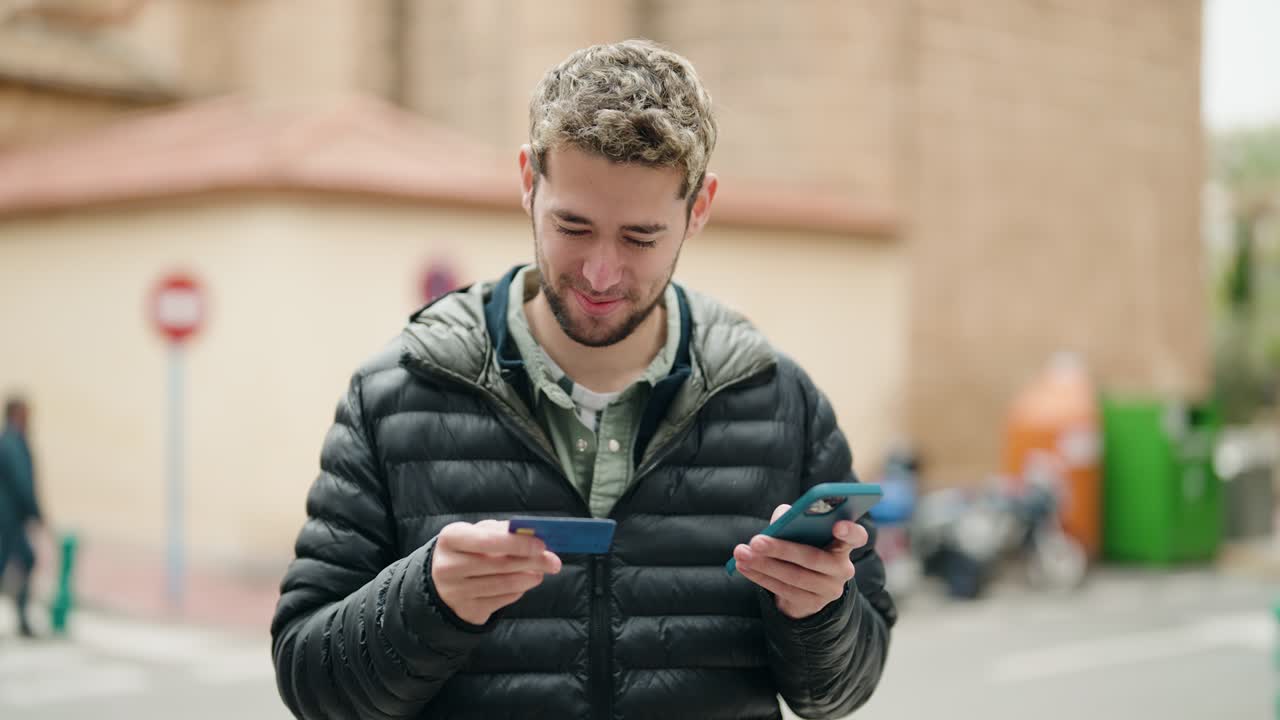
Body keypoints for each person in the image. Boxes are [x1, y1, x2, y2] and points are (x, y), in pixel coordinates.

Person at [272, 39, 895, 719]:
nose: (601, 274)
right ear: (527, 182)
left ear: (701, 207)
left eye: (639, 238)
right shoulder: (395, 392)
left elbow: (843, 691)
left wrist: (819, 614)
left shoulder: (779, 402)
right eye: (573, 226)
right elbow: (311, 684)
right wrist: (426, 601)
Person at [0, 395, 41, 638]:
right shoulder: (12, 443)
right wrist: (36, 512)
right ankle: (23, 619)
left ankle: (23, 618)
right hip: (9, 517)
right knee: (21, 559)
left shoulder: (11, 441)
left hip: (10, 517)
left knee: (22, 559)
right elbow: (22, 482)